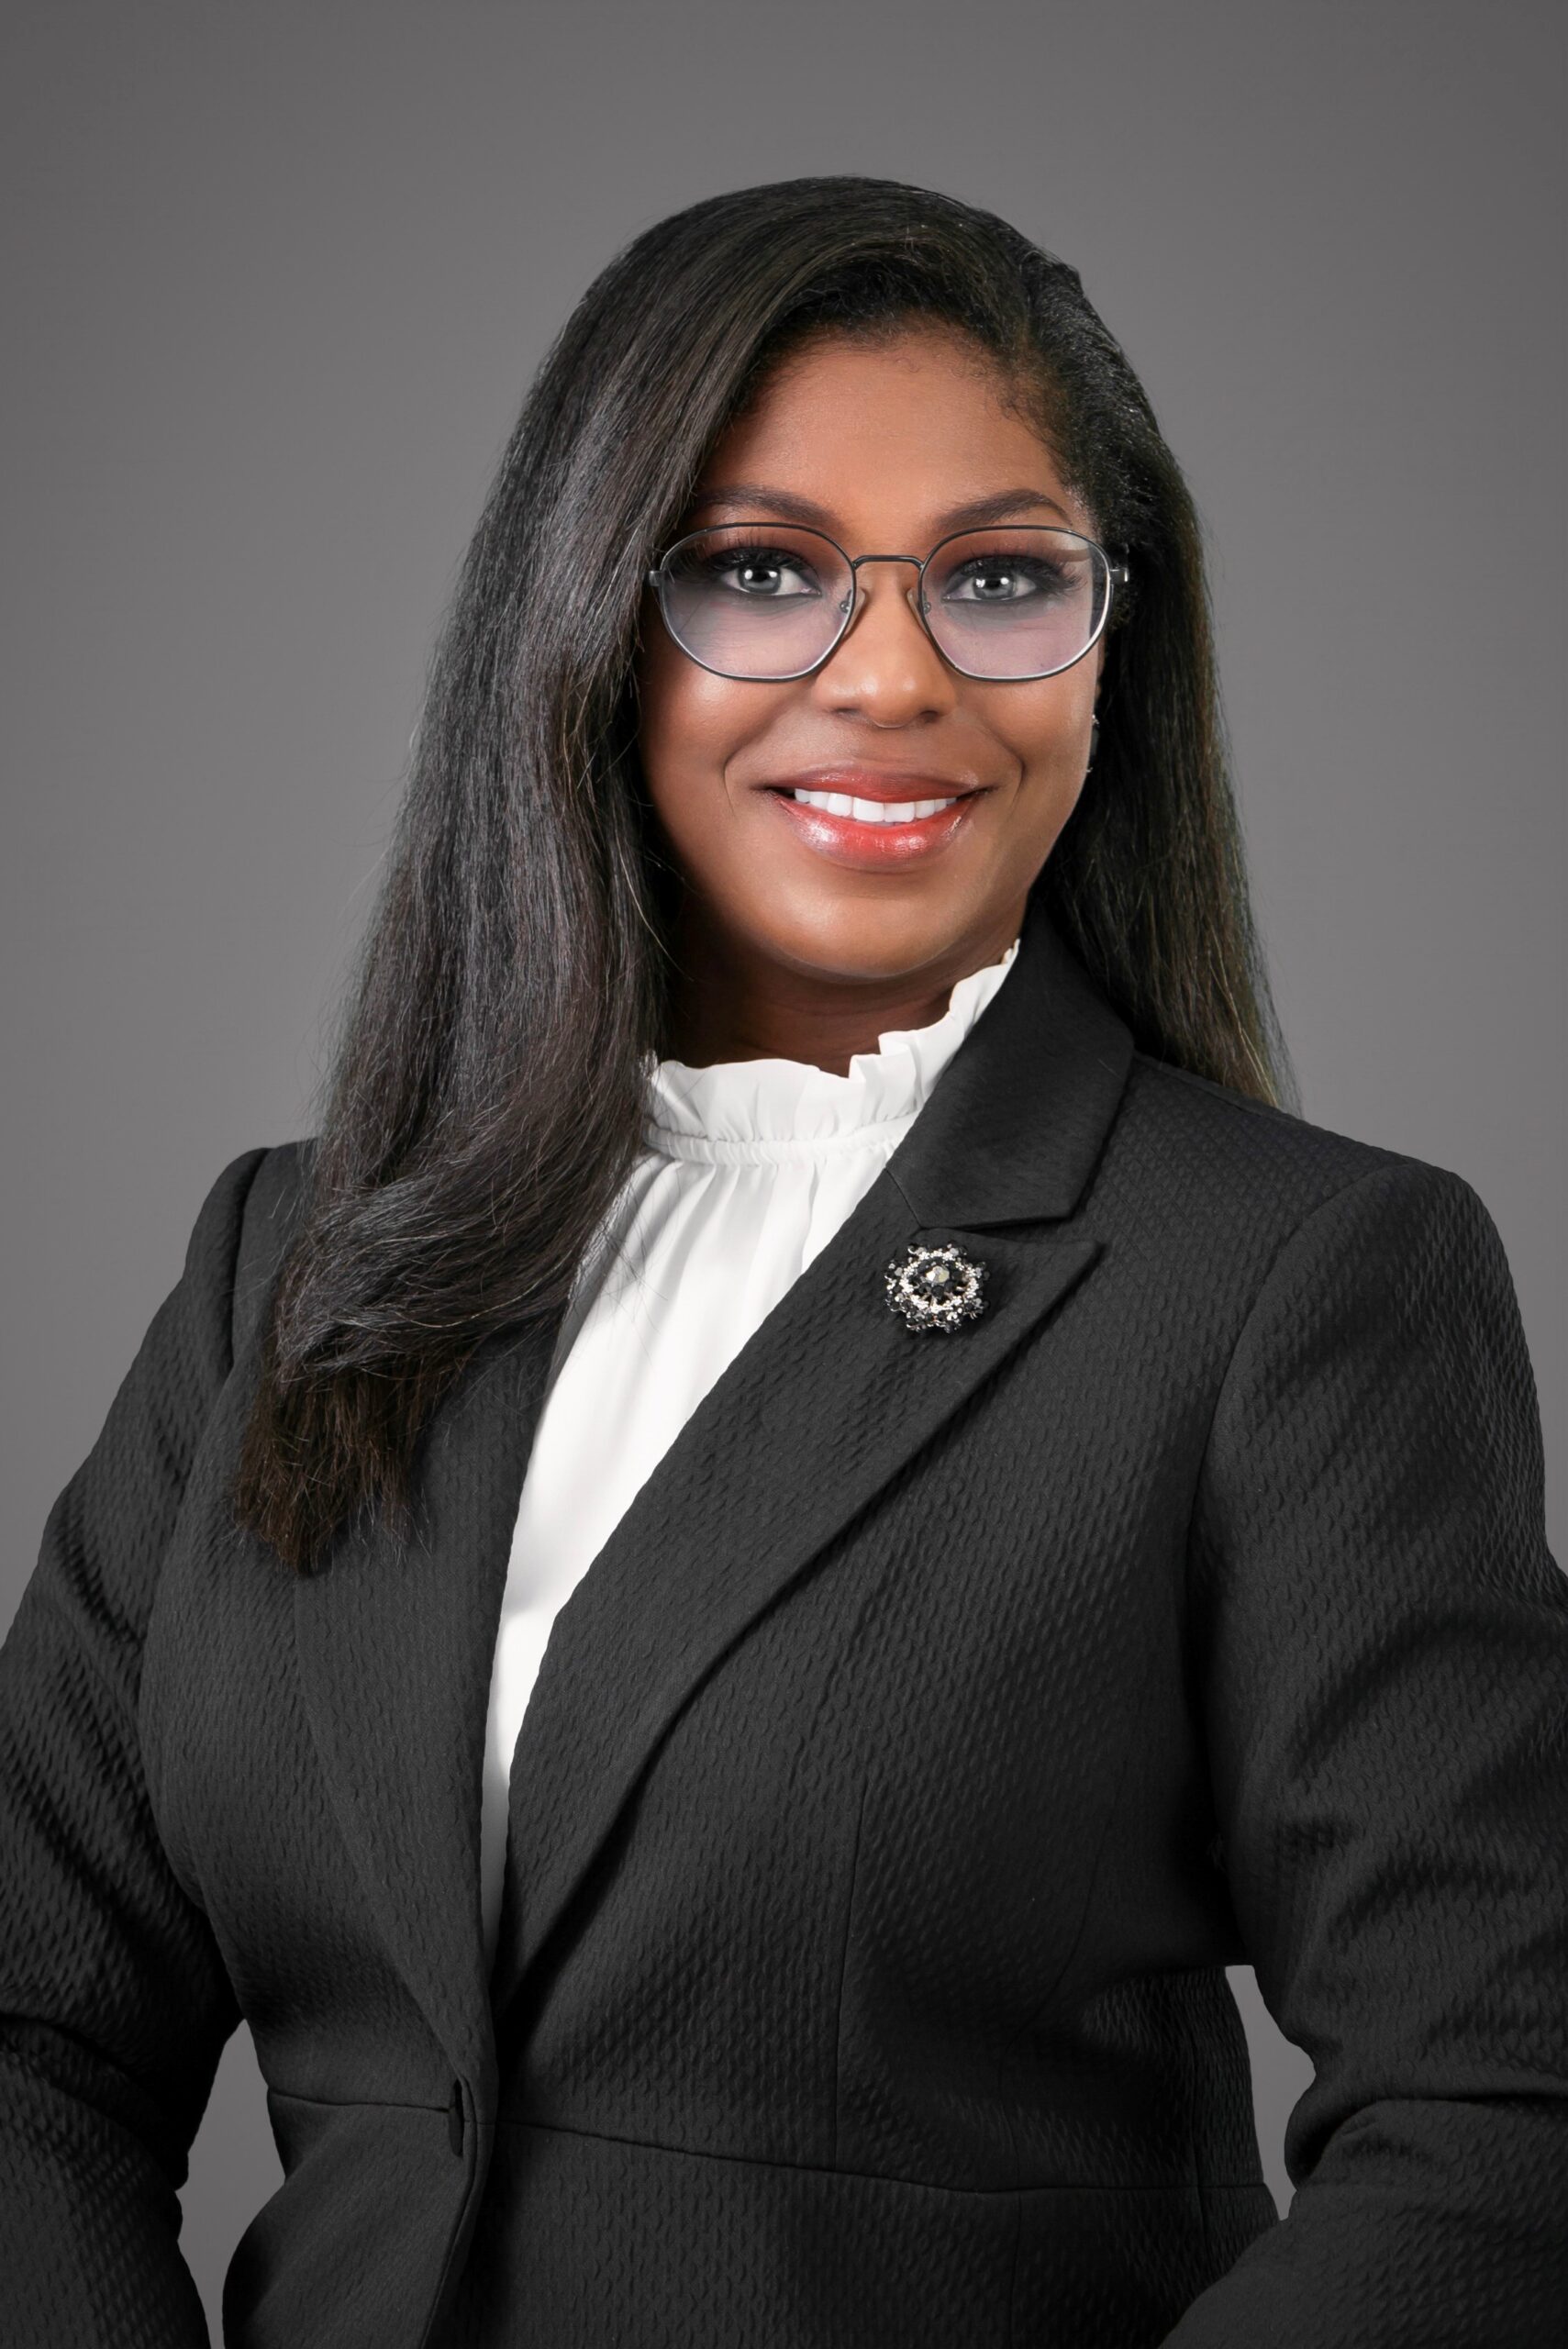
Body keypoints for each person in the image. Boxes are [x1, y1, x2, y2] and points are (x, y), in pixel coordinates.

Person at [2, 174, 1563, 2348]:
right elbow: (32, 2037)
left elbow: (1506, 2112)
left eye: (1003, 578)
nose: (896, 673)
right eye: (759, 569)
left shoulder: (1294, 1284)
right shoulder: (291, 1266)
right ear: (589, 622)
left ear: (1112, 645)